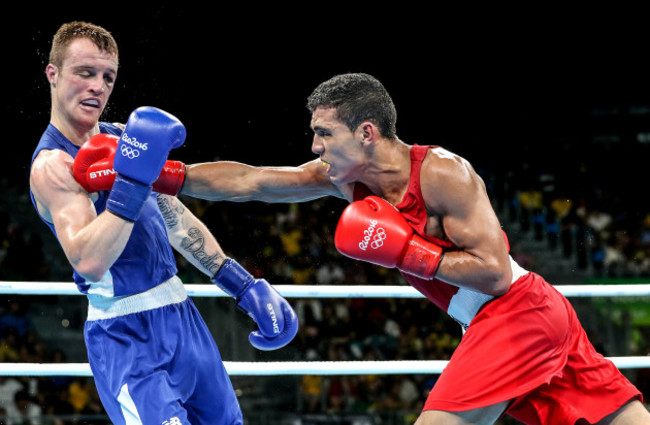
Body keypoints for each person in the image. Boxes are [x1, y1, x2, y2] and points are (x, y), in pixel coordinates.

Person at [172, 73, 649, 424]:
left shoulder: (444, 173)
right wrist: (168, 176)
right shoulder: (345, 177)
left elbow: (495, 272)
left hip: (516, 312)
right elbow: (253, 181)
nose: (315, 146)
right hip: (511, 318)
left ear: (366, 133)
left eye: (325, 133)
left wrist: (408, 252)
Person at [28, 21, 298, 425]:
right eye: (84, 73)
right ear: (53, 74)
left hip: (181, 317)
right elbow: (87, 259)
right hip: (126, 336)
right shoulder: (53, 166)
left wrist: (240, 283)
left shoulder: (126, 140)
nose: (98, 87)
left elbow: (175, 220)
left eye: (107, 77)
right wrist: (133, 182)